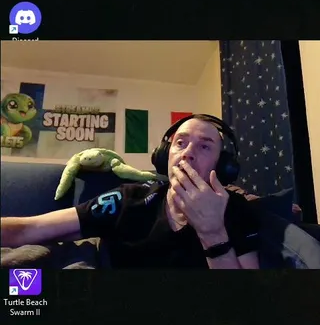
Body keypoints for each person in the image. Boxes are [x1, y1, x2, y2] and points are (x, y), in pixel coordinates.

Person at [0, 114, 260, 269]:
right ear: (164, 156)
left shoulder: (236, 210)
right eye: (180, 143)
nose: (187, 153)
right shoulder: (128, 199)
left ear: (223, 166)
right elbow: (32, 228)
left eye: (204, 147)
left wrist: (212, 232)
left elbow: (244, 305)